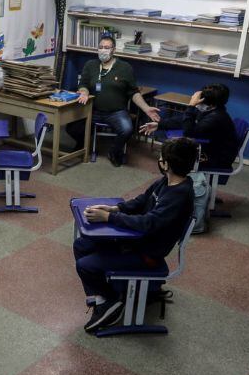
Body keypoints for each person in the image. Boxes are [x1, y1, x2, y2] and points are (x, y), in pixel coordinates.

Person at [74, 138, 197, 332]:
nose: (160, 159)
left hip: (146, 253)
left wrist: (109, 217)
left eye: (162, 157)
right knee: (82, 245)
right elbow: (142, 201)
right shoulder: (166, 181)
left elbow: (148, 223)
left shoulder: (179, 195)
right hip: (135, 241)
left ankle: (113, 301)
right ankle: (103, 296)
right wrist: (115, 208)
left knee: (85, 266)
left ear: (167, 164)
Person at [64, 36, 160, 167]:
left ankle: (115, 152)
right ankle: (83, 143)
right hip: (92, 110)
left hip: (116, 112)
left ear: (113, 50)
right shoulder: (90, 65)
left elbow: (134, 92)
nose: (103, 50)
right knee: (71, 127)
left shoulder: (124, 68)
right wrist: (84, 91)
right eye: (101, 47)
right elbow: (83, 84)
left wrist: (146, 108)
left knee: (127, 129)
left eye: (107, 47)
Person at [138, 83, 240, 170]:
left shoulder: (216, 118)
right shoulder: (210, 110)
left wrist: (191, 106)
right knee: (170, 154)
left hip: (215, 159)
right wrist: (160, 125)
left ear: (211, 105)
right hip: (208, 149)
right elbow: (184, 121)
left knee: (170, 158)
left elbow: (189, 132)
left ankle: (178, 186)